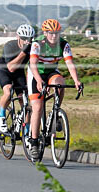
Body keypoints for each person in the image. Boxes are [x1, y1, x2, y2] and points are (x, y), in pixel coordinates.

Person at [26, 19, 83, 159]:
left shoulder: (63, 44)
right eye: (51, 33)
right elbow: (33, 64)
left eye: (56, 33)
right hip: (36, 73)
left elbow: (70, 63)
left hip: (51, 72)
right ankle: (34, 142)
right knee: (38, 107)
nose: (54, 36)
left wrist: (76, 81)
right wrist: (39, 80)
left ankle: (56, 113)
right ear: (45, 33)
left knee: (60, 83)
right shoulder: (37, 44)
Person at [0, 24, 35, 133]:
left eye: (29, 39)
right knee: (8, 92)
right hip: (4, 70)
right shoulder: (10, 46)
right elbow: (11, 68)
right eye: (24, 38)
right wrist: (24, 52)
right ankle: (1, 116)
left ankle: (27, 132)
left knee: (25, 102)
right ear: (18, 36)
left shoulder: (32, 47)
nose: (26, 41)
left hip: (19, 73)